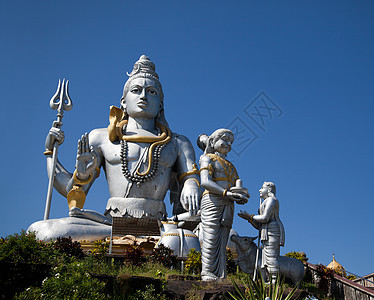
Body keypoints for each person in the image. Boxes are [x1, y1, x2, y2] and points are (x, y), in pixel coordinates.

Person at [28, 55, 200, 241]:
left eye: (151, 92)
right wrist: (53, 155)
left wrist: (191, 184)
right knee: (43, 231)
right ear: (124, 101)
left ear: (160, 104)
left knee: (222, 236)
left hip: (159, 224)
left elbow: (192, 178)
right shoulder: (101, 138)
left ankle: (150, 239)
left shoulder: (177, 143)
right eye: (136, 90)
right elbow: (72, 190)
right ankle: (134, 239)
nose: (143, 96)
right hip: (111, 223)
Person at [197, 129, 248, 281]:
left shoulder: (231, 166)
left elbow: (237, 185)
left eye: (231, 142)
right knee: (211, 237)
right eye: (225, 140)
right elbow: (205, 182)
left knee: (223, 238)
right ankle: (207, 272)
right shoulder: (207, 158)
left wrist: (241, 196)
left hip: (228, 203)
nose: (228, 144)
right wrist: (226, 193)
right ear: (212, 142)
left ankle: (220, 274)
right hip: (213, 201)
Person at [238, 182, 285, 284]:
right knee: (265, 257)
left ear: (269, 190)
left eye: (262, 188)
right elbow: (259, 226)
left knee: (271, 256)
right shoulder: (266, 201)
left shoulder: (271, 200)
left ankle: (274, 280)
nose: (259, 190)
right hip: (266, 230)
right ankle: (267, 279)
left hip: (272, 230)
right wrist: (249, 219)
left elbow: (265, 218)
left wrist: (251, 216)